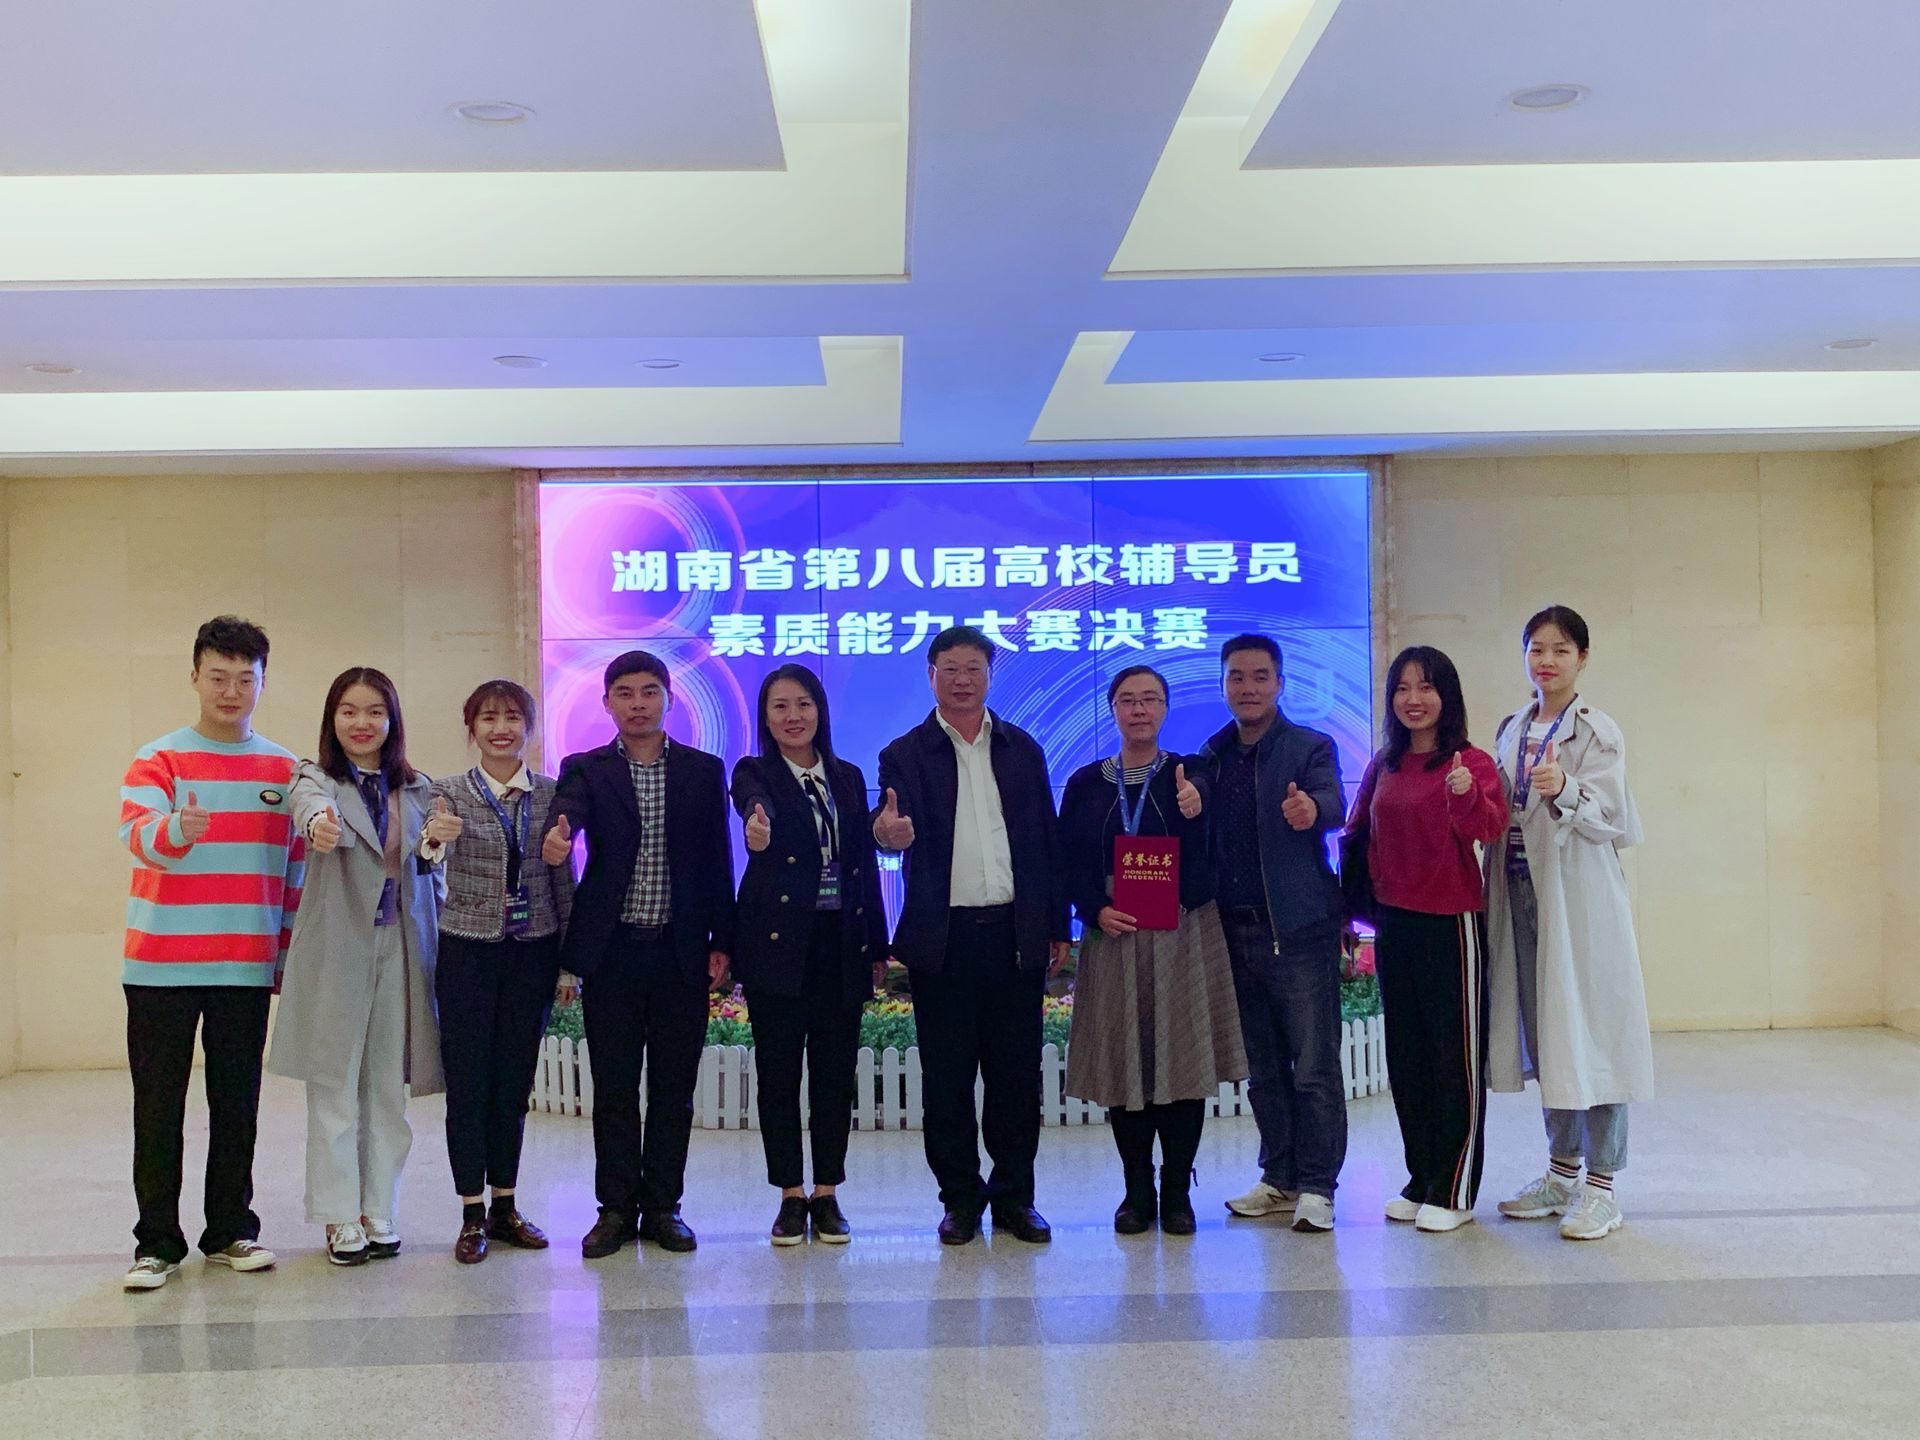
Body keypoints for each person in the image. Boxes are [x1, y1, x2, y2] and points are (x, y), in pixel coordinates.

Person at [116, 617, 305, 1291]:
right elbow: (137, 838)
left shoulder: (285, 771)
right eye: (218, 677)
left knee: (237, 1105)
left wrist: (283, 961)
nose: (230, 691)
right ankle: (156, 1244)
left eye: (244, 679)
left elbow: (295, 876)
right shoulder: (158, 760)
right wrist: (176, 829)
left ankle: (229, 1230)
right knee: (157, 1109)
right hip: (159, 967)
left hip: (243, 968)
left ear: (262, 683)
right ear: (194, 676)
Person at [873, 625, 1070, 1245]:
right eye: (951, 668)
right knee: (947, 1080)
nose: (963, 679)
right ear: (930, 675)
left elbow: (1045, 842)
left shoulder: (1021, 748)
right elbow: (884, 825)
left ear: (990, 674)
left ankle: (1015, 1198)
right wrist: (887, 835)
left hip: (1013, 933)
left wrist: (1055, 924)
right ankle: (960, 1199)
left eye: (974, 668)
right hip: (944, 939)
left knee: (1016, 1078)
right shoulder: (905, 753)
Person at [540, 650, 734, 1258]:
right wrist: (559, 835)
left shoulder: (703, 770)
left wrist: (722, 942)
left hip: (681, 950)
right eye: (624, 693)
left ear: (669, 698)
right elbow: (568, 811)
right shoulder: (586, 767)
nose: (638, 704)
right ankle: (617, 1210)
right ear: (607, 703)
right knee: (615, 1088)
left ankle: (665, 1207)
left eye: (650, 692)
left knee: (674, 1089)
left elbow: (717, 859)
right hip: (614, 952)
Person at [1485, 606, 1655, 1242]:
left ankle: (1602, 1188)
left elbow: (1612, 818)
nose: (1547, 661)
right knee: (1550, 1033)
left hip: (1580, 900)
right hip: (1520, 894)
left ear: (1582, 657)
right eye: (1536, 649)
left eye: (1560, 649)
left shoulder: (1597, 730)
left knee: (1596, 1033)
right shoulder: (1512, 727)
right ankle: (1560, 1174)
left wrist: (1565, 789)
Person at [1059, 664, 1247, 1236]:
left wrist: (1197, 801)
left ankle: (1178, 1191)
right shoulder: (1087, 783)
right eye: (1127, 700)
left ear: (1165, 709)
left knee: (1182, 1061)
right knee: (1127, 1063)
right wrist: (1094, 908)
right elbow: (1067, 859)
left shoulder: (1191, 772)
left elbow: (1212, 831)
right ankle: (1136, 1190)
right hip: (1114, 933)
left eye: (1149, 699)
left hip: (1182, 932)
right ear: (1113, 710)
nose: (1138, 710)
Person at [269, 667, 444, 1265]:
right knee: (334, 1083)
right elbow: (309, 810)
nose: (362, 723)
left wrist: (436, 844)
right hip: (337, 948)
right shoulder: (314, 777)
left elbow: (428, 866)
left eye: (374, 711)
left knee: (387, 1088)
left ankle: (379, 1207)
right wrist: (318, 825)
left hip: (400, 945)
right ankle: (339, 1214)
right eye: (349, 711)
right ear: (332, 719)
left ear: (392, 720)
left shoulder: (416, 788)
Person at [1347, 646, 1506, 1233]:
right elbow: (1358, 833)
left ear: (1447, 696)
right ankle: (1422, 1178)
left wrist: (1464, 792)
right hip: (1394, 923)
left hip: (1451, 923)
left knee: (1454, 1060)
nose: (1413, 699)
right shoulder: (1384, 764)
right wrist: (1348, 910)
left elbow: (1490, 827)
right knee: (1408, 1059)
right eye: (1402, 688)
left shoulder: (1471, 761)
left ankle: (1455, 1189)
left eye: (1426, 687)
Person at [1192, 634, 1347, 1233]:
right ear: (1223, 684)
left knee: (1313, 1068)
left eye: (1260, 676)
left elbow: (1332, 800)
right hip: (1233, 933)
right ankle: (1279, 1177)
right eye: (1237, 676)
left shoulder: (1310, 747)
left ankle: (1318, 1187)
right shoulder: (1211, 755)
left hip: (1297, 931)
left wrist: (1312, 811)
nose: (1248, 687)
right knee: (1264, 1071)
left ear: (1280, 683)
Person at [729, 664, 889, 1246]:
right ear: (766, 717)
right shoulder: (754, 773)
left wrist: (877, 942)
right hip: (777, 946)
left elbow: (862, 864)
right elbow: (751, 803)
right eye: (780, 707)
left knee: (833, 1075)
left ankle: (827, 1192)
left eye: (803, 704)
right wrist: (757, 825)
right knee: (778, 1076)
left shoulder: (846, 776)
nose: (793, 717)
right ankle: (790, 1196)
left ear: (820, 711)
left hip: (840, 944)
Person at [419, 679, 578, 1264]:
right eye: (488, 718)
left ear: (529, 729)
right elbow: (424, 857)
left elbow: (563, 880)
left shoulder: (553, 793)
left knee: (513, 1084)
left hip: (533, 951)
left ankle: (505, 1205)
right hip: (467, 949)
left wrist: (569, 964)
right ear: (472, 729)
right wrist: (433, 841)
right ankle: (470, 1213)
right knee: (468, 1086)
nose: (501, 728)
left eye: (513, 717)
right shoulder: (446, 793)